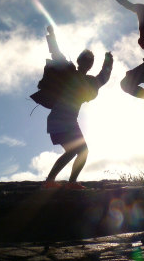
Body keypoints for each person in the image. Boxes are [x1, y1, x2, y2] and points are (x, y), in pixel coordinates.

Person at [43, 25, 113, 189]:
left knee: (81, 151)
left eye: (89, 61)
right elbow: (56, 53)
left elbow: (103, 77)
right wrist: (51, 35)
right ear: (80, 61)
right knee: (77, 150)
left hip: (67, 119)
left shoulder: (89, 81)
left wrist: (108, 61)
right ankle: (50, 182)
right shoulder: (69, 72)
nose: (87, 63)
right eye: (86, 60)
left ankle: (69, 183)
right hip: (60, 117)